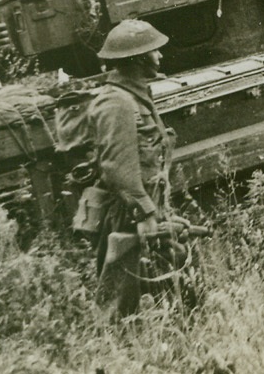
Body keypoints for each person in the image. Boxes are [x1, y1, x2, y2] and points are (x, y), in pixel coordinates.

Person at [88, 19, 178, 317]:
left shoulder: (137, 96)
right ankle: (111, 351)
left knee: (174, 273)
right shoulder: (117, 102)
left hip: (149, 207)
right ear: (139, 59)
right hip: (130, 213)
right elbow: (116, 166)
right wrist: (145, 212)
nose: (160, 56)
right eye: (154, 52)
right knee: (117, 300)